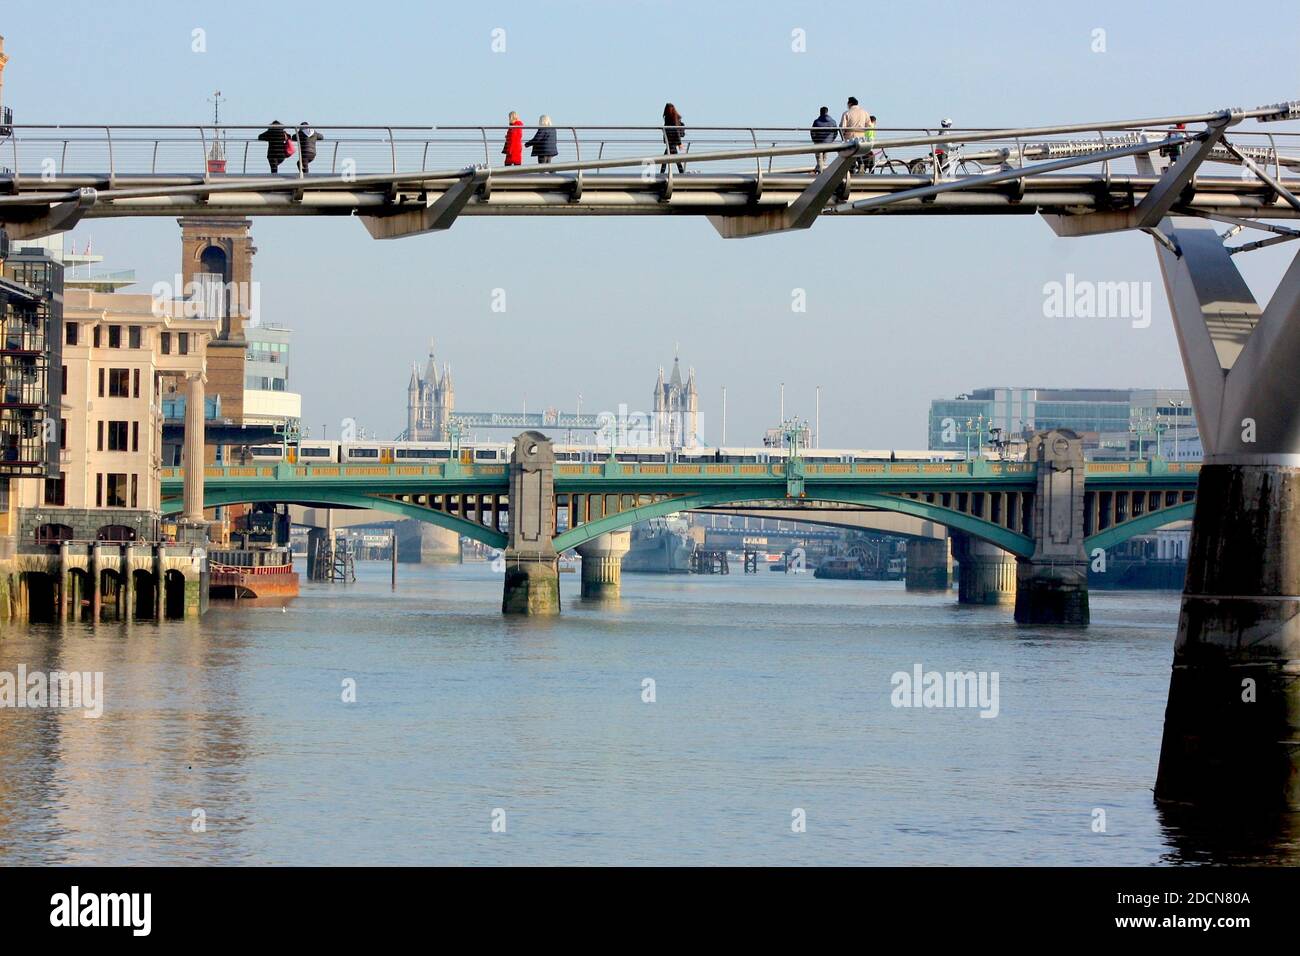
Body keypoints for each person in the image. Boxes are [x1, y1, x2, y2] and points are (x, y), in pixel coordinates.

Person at [839, 97, 870, 172]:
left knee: (851, 154)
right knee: (858, 151)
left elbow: (843, 127)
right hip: (861, 135)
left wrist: (843, 136)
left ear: (850, 103)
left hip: (850, 135)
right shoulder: (864, 112)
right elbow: (868, 125)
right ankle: (861, 164)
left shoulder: (847, 113)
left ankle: (851, 169)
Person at [809, 106, 837, 171]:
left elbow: (812, 132)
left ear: (820, 112)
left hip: (818, 142)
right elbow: (836, 132)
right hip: (828, 142)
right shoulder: (833, 122)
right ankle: (820, 167)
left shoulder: (816, 122)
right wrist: (831, 140)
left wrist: (814, 140)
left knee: (818, 156)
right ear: (827, 112)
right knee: (824, 155)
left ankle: (819, 168)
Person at [661, 103, 686, 174]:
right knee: (674, 157)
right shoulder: (670, 117)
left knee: (665, 158)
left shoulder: (672, 118)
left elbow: (676, 130)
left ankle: (661, 173)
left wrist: (679, 143)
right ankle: (681, 173)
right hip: (672, 140)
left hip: (672, 141)